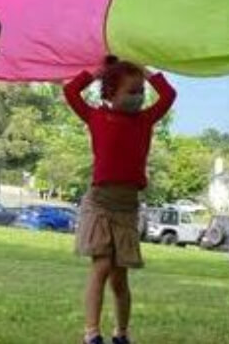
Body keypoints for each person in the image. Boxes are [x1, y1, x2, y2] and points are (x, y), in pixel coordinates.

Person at [63, 55, 175, 344]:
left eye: (141, 92)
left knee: (119, 277)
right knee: (100, 267)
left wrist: (143, 69)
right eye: (132, 91)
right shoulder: (97, 116)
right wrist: (98, 71)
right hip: (99, 203)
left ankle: (121, 333)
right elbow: (70, 92)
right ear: (111, 93)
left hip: (127, 206)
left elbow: (169, 95)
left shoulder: (146, 119)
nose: (139, 97)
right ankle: (91, 333)